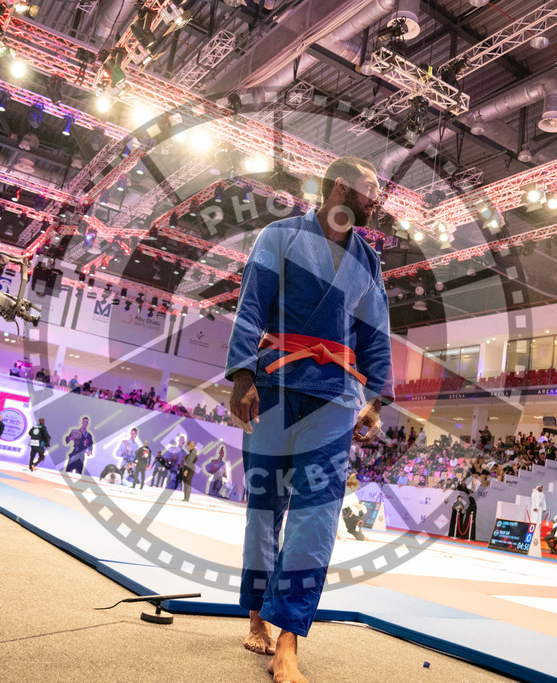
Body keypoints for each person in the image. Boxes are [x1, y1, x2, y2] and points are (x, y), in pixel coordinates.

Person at [227, 156, 392, 680]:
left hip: (335, 395)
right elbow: (250, 304)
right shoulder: (280, 236)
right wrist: (242, 376)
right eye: (372, 190)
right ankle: (256, 615)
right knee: (265, 506)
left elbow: (376, 329)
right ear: (342, 187)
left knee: (318, 514)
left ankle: (290, 638)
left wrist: (377, 396)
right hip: (274, 385)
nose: (377, 200)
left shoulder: (368, 261)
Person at [338, 473, 367, 541]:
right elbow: (359, 510)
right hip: (340, 513)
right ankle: (340, 533)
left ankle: (341, 532)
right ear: (354, 487)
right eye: (356, 488)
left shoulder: (344, 490)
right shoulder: (352, 495)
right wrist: (360, 507)